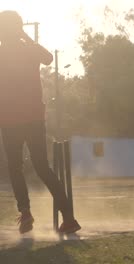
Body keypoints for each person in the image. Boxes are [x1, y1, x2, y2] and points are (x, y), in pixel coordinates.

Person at [0, 10, 81, 234]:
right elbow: (48, 58)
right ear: (18, 28)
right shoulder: (28, 50)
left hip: (9, 120)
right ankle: (69, 218)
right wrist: (25, 36)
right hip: (33, 118)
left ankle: (25, 212)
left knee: (15, 167)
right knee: (42, 167)